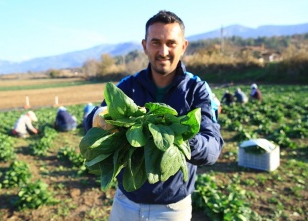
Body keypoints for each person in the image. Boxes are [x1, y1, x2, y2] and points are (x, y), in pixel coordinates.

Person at [84, 10, 224, 221]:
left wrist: (178, 137)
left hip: (172, 208)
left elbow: (212, 148)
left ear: (184, 46)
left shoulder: (197, 89)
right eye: (156, 42)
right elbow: (94, 124)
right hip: (126, 202)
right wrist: (97, 117)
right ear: (144, 45)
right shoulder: (127, 87)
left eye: (171, 43)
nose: (163, 51)